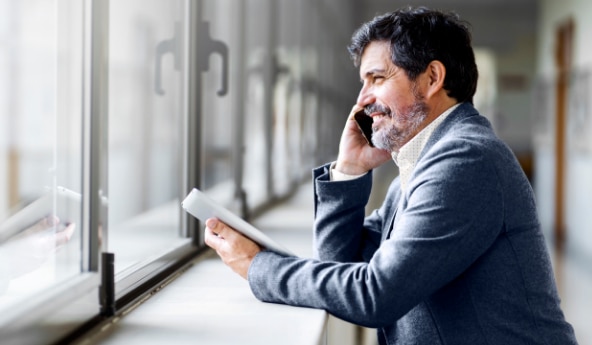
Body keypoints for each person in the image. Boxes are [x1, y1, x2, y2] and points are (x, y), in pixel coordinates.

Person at [204, 7, 579, 345]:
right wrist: (349, 170)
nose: (362, 98)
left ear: (432, 77)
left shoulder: (467, 159)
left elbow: (376, 295)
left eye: (377, 78)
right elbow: (342, 265)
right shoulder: (418, 167)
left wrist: (258, 267)